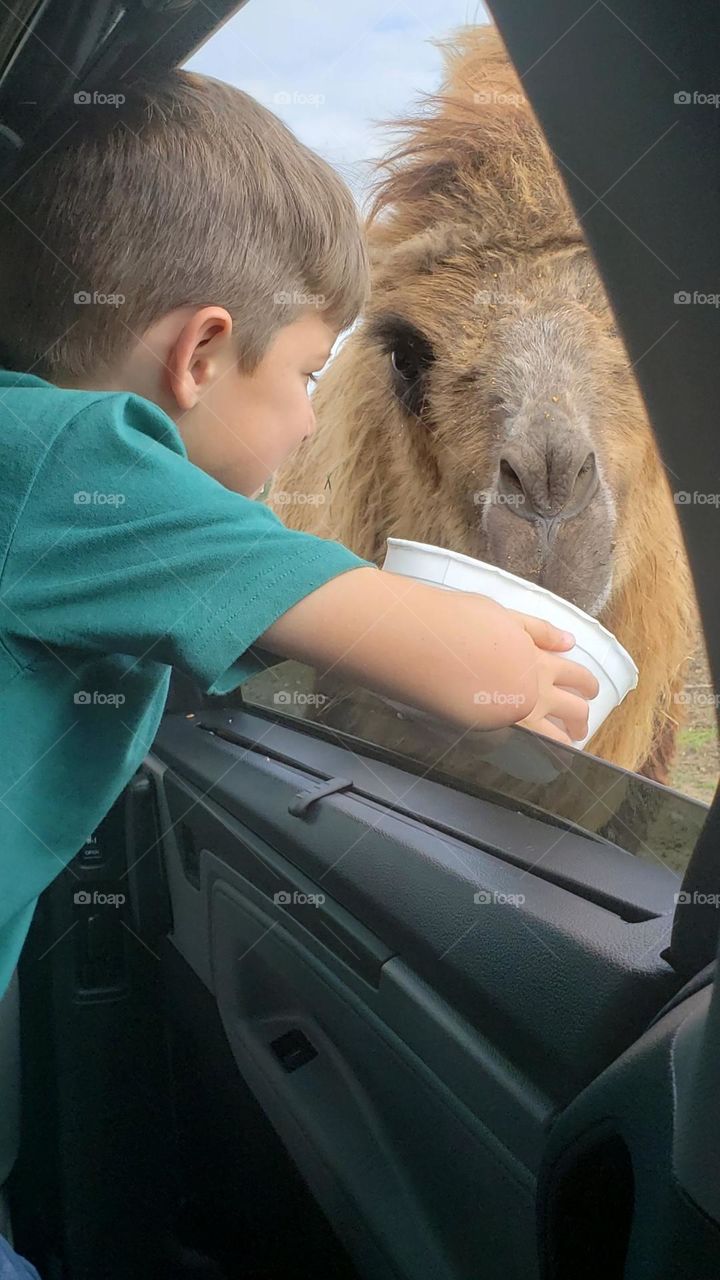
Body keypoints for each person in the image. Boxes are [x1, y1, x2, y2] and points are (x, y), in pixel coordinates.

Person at [0, 69, 598, 1010]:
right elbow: (415, 644)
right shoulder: (77, 464)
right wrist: (517, 672)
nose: (314, 422)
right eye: (309, 375)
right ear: (200, 356)